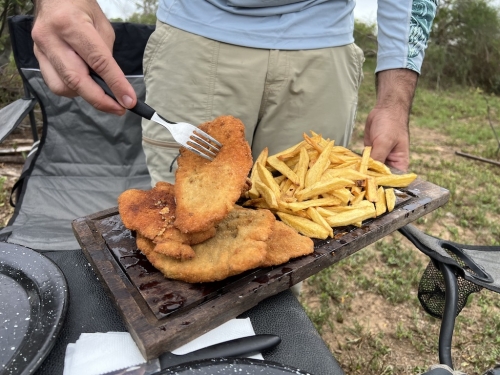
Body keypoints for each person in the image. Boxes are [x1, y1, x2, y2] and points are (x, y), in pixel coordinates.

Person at [31, 0, 437, 186]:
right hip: (193, 36)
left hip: (325, 48)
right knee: (181, 209)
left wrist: (393, 102)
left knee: (302, 220)